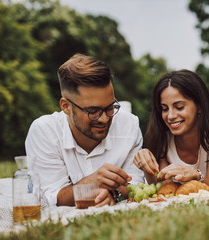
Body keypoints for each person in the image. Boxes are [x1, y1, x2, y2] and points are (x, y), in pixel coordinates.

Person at [25, 53, 144, 207]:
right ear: (66, 106)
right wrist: (91, 183)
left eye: (110, 107)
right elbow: (52, 197)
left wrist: (113, 195)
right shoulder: (44, 131)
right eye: (93, 111)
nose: (104, 119)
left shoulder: (130, 126)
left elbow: (135, 185)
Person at [133, 70, 209, 192]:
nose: (170, 116)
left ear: (199, 106)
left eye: (179, 107)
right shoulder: (160, 136)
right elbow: (165, 190)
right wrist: (147, 167)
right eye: (164, 109)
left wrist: (196, 174)